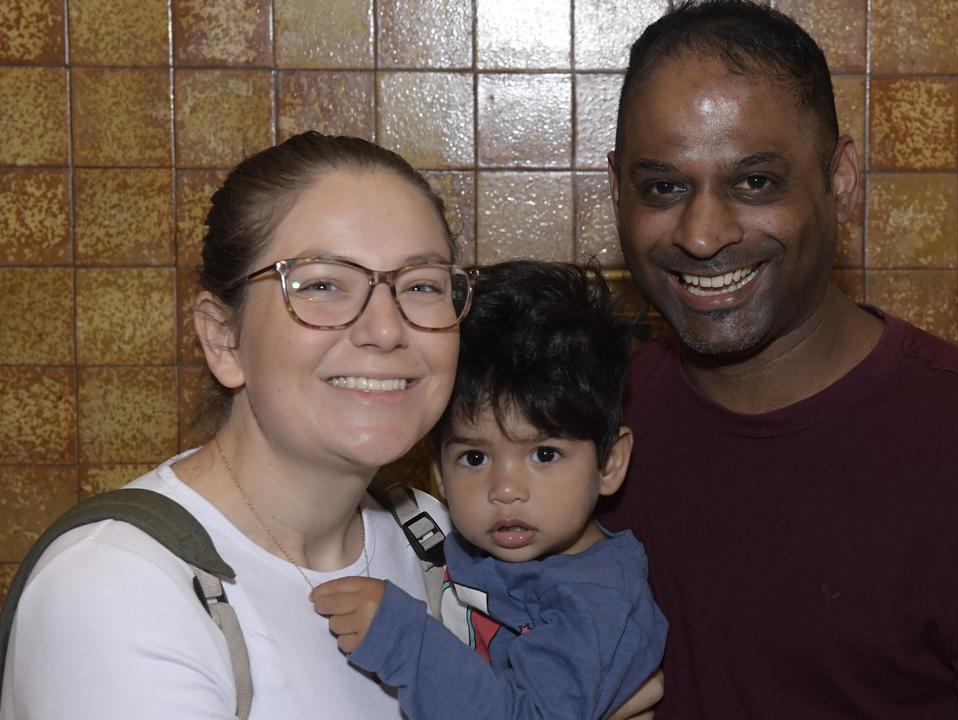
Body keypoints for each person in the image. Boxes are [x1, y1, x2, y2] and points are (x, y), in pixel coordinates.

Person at [598, 2, 958, 718]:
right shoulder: (585, 427)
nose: (702, 233)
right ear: (616, 189)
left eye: (755, 182)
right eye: (664, 187)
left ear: (840, 181)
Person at [1, 133, 658, 720]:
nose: (384, 328)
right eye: (321, 285)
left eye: (422, 285)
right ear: (223, 338)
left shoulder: (439, 542)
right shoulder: (118, 592)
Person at [310, 260, 668, 720]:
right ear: (438, 471)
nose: (505, 490)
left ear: (609, 463)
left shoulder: (595, 601)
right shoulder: (458, 538)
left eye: (544, 454)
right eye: (474, 458)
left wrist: (404, 639)